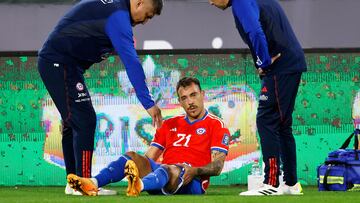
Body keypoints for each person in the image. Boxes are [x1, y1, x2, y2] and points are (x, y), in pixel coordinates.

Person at [37, 0, 163, 195]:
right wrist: (148, 102)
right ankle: (85, 184)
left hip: (60, 64)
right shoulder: (118, 17)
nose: (145, 22)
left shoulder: (114, 11)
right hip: (59, 63)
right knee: (85, 121)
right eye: (148, 15)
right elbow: (132, 63)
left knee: (74, 122)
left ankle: (74, 183)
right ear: (140, 2)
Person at [67, 77, 230, 196]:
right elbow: (149, 158)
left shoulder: (216, 125)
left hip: (191, 183)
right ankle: (92, 183)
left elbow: (217, 166)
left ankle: (139, 185)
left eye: (194, 95)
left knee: (170, 168)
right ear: (180, 102)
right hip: (162, 177)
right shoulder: (169, 124)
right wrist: (137, 164)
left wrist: (195, 171)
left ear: (202, 94)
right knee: (131, 157)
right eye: (184, 98)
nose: (190, 102)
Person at [209, 0, 307, 196]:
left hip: (281, 66)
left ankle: (271, 183)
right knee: (282, 124)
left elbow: (255, 31)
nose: (210, 2)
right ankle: (291, 183)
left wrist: (264, 61)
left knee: (266, 119)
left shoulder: (241, 2)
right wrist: (263, 61)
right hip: (290, 63)